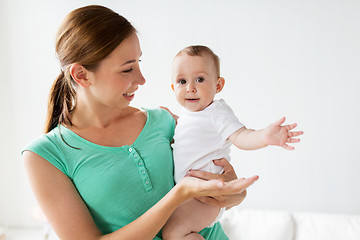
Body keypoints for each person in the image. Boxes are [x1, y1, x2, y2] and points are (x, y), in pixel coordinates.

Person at [21, 5, 259, 240]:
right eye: (127, 69)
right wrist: (178, 194)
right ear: (81, 75)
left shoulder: (163, 121)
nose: (142, 79)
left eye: (139, 63)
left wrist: (236, 194)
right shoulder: (44, 156)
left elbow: (222, 188)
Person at [162, 45, 303, 240]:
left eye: (200, 79)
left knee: (174, 233)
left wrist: (264, 136)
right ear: (173, 87)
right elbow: (192, 134)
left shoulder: (217, 113)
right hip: (190, 195)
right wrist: (172, 119)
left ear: (218, 85)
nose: (190, 87)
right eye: (182, 81)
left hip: (206, 197)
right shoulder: (188, 116)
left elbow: (241, 136)